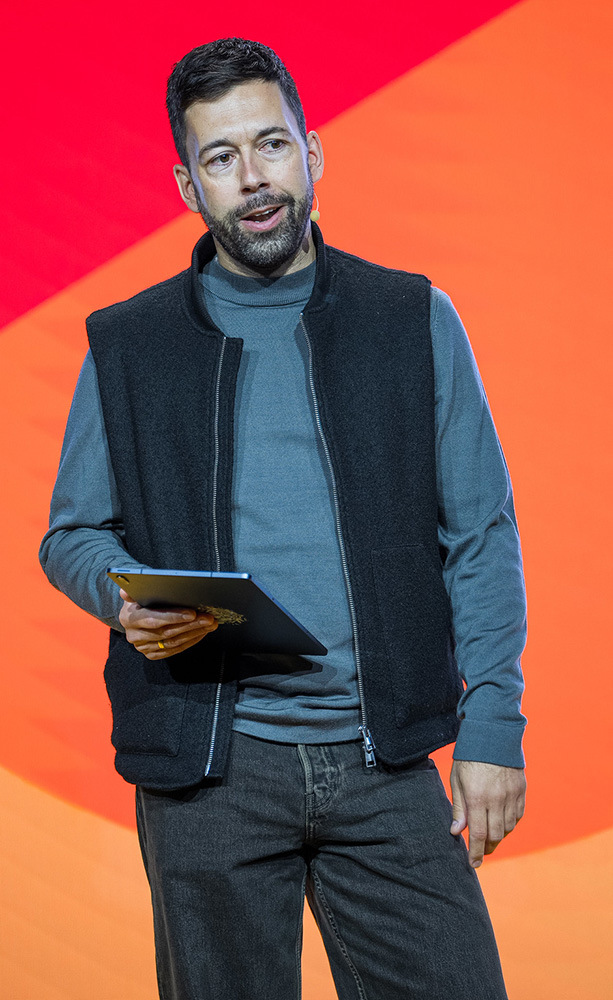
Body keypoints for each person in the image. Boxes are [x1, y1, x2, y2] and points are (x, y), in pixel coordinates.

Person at [40, 37, 527, 1000]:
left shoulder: (412, 318)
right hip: (208, 771)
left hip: (385, 759)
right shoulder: (127, 343)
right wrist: (120, 597)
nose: (253, 179)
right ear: (187, 185)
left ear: (314, 152)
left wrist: (492, 731)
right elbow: (72, 535)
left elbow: (481, 534)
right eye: (221, 159)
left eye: (271, 145)